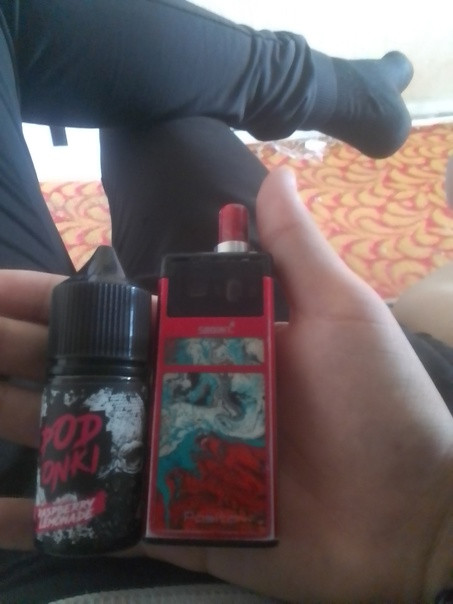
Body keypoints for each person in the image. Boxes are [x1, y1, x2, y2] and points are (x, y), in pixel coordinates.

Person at [0, 0, 452, 601]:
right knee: (158, 118)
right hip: (410, 478)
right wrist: (433, 528)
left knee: (150, 110)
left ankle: (335, 87)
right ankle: (345, 92)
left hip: (73, 572)